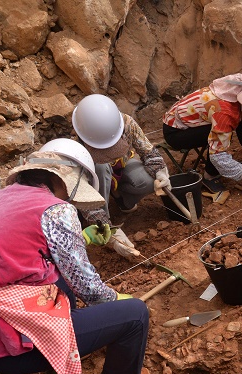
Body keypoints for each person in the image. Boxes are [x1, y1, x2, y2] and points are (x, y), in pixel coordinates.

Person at [0, 144, 151, 374]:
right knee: (135, 314)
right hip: (12, 348)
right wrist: (116, 299)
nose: (67, 198)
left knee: (60, 279)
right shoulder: (57, 210)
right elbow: (90, 291)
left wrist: (82, 239)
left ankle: (78, 335)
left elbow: (18, 253)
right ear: (64, 180)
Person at [162, 63, 242, 193]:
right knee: (222, 132)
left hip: (196, 120)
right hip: (176, 132)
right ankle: (209, 177)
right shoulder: (225, 112)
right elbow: (217, 155)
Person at [72, 94, 170, 259]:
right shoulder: (75, 145)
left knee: (146, 180)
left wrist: (160, 170)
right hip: (95, 177)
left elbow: (148, 151)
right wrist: (108, 232)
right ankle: (105, 223)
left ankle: (123, 200)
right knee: (101, 167)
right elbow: (82, 196)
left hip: (123, 166)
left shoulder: (126, 123)